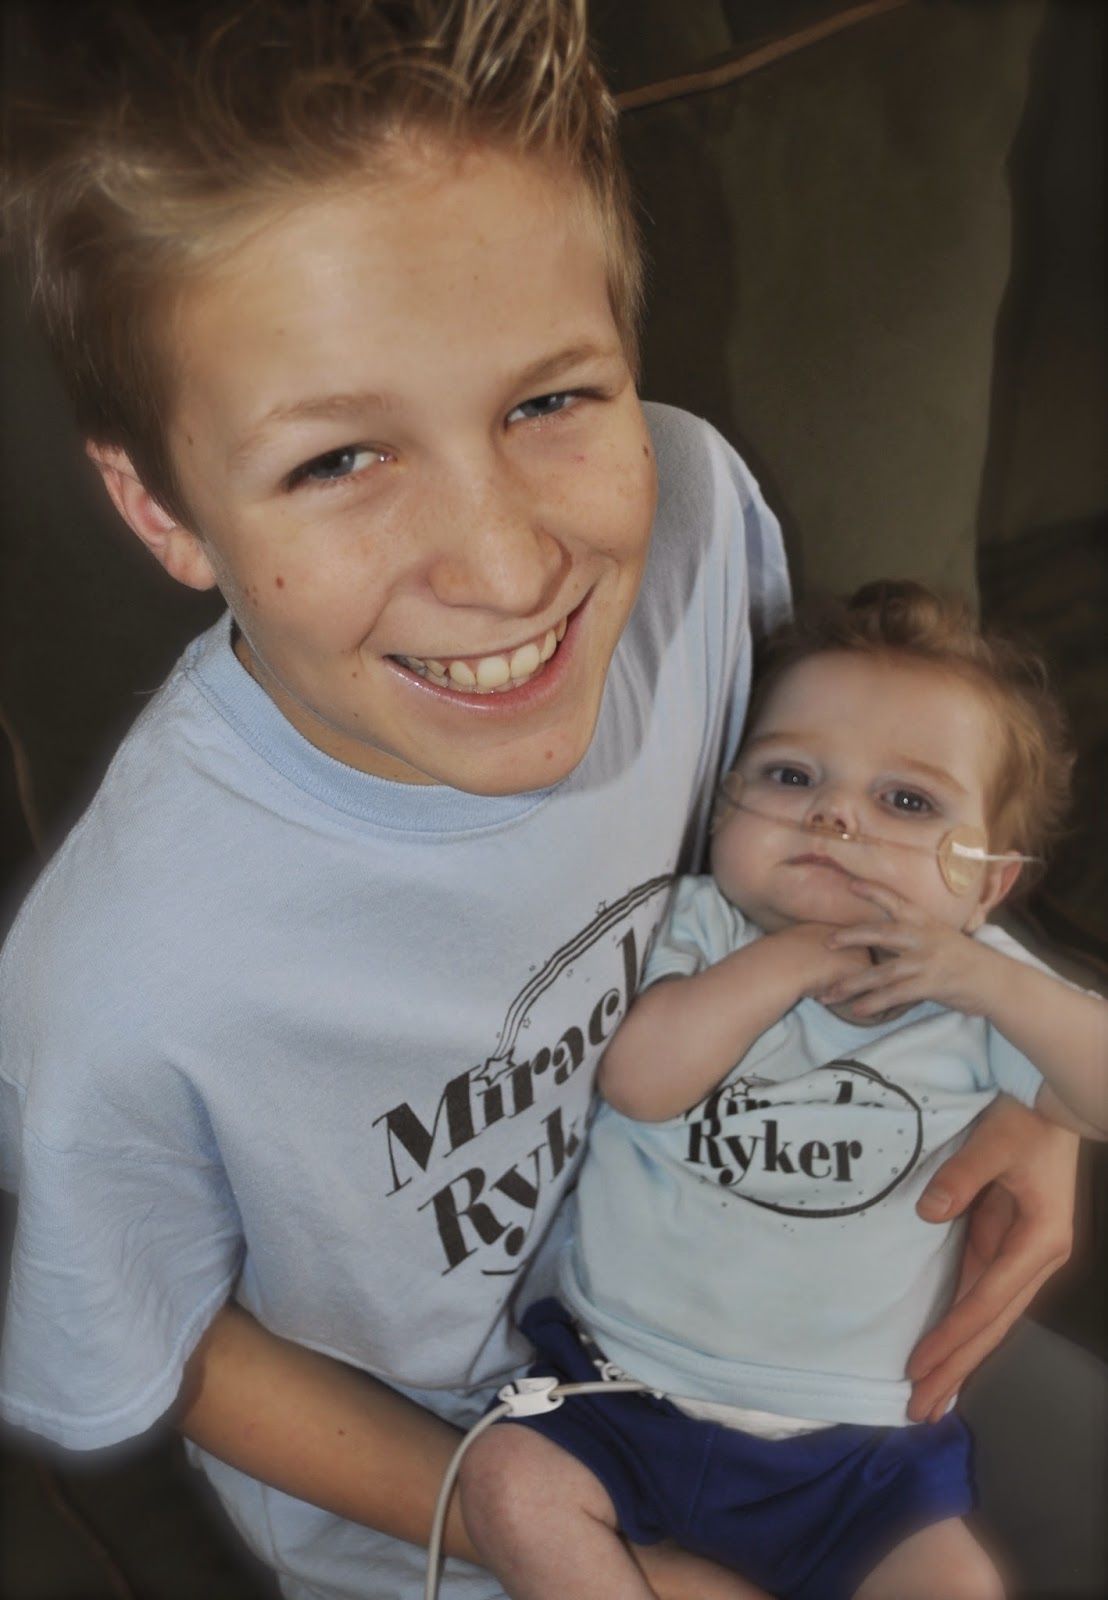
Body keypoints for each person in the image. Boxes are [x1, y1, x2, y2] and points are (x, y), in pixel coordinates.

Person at [0, 5, 1082, 1598]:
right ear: (159, 506)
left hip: (804, 1364)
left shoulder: (697, 518)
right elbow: (163, 1344)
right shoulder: (121, 979)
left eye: (550, 402)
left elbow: (811, 848)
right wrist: (510, 1511)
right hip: (448, 1513)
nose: (508, 570)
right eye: (338, 461)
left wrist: (1033, 1098)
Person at [458, 580, 1108, 1600]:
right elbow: (641, 1080)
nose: (835, 814)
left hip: (856, 1452)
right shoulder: (697, 925)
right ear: (724, 807)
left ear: (989, 882)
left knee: (960, 1586)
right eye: (790, 774)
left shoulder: (982, 988)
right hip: (616, 1388)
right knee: (507, 1485)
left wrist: (993, 984)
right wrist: (799, 956)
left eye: (907, 801)